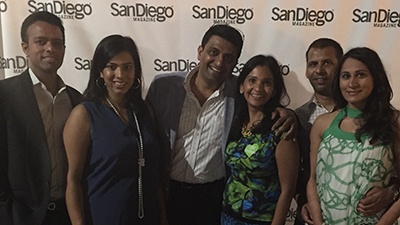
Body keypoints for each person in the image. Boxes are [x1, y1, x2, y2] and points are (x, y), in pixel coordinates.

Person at [146, 24, 297, 225]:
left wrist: (291, 114)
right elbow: (144, 133)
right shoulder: (163, 87)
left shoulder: (239, 91)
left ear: (235, 63)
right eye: (213, 52)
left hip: (215, 198)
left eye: (228, 57)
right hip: (168, 193)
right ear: (200, 52)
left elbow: (264, 102)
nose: (219, 62)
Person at [63, 35, 165, 225]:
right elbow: (73, 180)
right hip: (104, 216)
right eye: (112, 67)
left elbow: (153, 172)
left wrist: (163, 216)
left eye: (127, 67)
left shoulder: (144, 110)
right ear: (100, 71)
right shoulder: (84, 114)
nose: (120, 74)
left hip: (147, 216)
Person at [295, 38, 398, 225]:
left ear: (376, 77)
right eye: (346, 76)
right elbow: (312, 179)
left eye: (360, 75)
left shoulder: (394, 122)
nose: (352, 83)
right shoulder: (322, 123)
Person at [0, 11, 82, 225]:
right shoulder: (4, 95)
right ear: (25, 48)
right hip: (22, 216)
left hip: (68, 213)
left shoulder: (76, 100)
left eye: (57, 43)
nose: (50, 48)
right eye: (41, 41)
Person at [221, 54, 299, 224]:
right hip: (228, 217)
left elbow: (288, 190)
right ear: (242, 86)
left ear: (274, 91)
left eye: (267, 83)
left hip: (261, 220)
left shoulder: (281, 128)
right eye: (252, 80)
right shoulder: (235, 122)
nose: (258, 88)